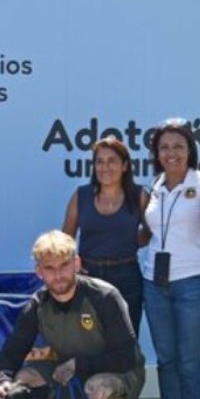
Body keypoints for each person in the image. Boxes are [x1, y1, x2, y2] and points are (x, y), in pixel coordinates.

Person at [0, 230, 146, 399]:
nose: (58, 275)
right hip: (68, 373)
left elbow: (126, 356)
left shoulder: (104, 296)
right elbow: (13, 350)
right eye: (49, 268)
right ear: (39, 272)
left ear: (77, 263)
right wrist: (3, 380)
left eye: (64, 265)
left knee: (99, 388)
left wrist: (78, 365)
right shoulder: (38, 304)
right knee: (21, 383)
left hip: (119, 373)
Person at [140, 118, 200, 399]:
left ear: (190, 150)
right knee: (166, 358)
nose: (172, 153)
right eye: (165, 147)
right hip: (155, 281)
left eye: (178, 146)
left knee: (190, 359)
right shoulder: (154, 186)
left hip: (193, 281)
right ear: (156, 152)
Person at [62, 136, 149, 334]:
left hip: (127, 275)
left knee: (125, 340)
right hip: (87, 275)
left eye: (112, 161)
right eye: (99, 161)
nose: (105, 167)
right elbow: (66, 239)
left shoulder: (139, 196)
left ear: (125, 165)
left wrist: (128, 242)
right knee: (88, 340)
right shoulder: (81, 195)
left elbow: (151, 232)